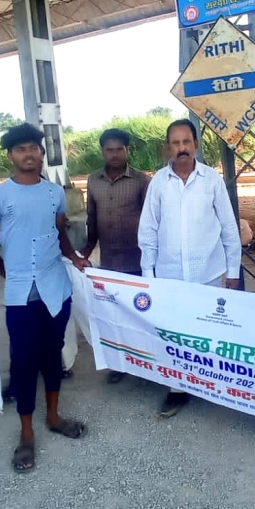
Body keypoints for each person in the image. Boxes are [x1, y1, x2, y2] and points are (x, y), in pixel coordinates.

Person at [0, 124, 90, 474]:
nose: (28, 154)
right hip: (21, 295)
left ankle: (53, 416)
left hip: (56, 288)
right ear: (10, 155)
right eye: (20, 149)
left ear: (41, 152)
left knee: (52, 354)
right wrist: (11, 274)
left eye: (33, 148)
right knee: (24, 361)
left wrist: (74, 257)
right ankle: (26, 432)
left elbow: (58, 232)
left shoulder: (55, 193)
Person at [138, 119, 242, 418]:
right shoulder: (159, 182)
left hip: (209, 274)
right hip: (169, 277)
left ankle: (213, 386)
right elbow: (148, 229)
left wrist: (233, 272)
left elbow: (228, 227)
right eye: (175, 143)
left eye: (186, 142)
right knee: (174, 335)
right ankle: (177, 389)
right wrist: (149, 275)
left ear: (195, 145)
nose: (181, 148)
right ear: (168, 148)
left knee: (211, 332)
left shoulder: (212, 180)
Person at [83, 128, 150, 385]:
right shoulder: (93, 181)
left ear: (127, 150)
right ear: (102, 151)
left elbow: (152, 220)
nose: (114, 154)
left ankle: (147, 363)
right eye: (109, 150)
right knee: (114, 316)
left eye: (119, 149)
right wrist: (86, 251)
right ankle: (120, 364)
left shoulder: (141, 181)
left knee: (141, 313)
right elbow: (91, 218)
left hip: (137, 261)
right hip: (109, 263)